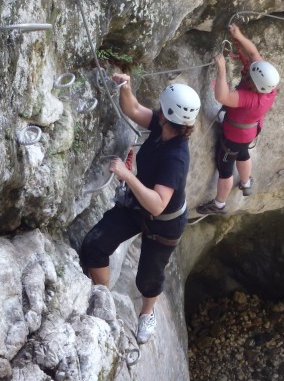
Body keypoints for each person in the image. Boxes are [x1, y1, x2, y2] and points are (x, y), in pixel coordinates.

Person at [80, 74, 200, 344]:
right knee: (94, 245)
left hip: (165, 221)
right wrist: (126, 86)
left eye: (161, 108)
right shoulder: (163, 127)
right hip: (138, 206)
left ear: (167, 115)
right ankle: (102, 299)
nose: (158, 110)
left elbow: (158, 203)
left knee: (148, 277)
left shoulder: (176, 157)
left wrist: (127, 176)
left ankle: (147, 314)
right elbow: (133, 109)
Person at [196, 23, 279, 215]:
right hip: (250, 132)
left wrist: (222, 70)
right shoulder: (269, 86)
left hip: (233, 137)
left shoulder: (249, 99)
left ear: (253, 82)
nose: (249, 69)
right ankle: (246, 183)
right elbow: (253, 53)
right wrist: (239, 36)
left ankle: (219, 205)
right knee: (243, 154)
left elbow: (222, 96)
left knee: (225, 169)